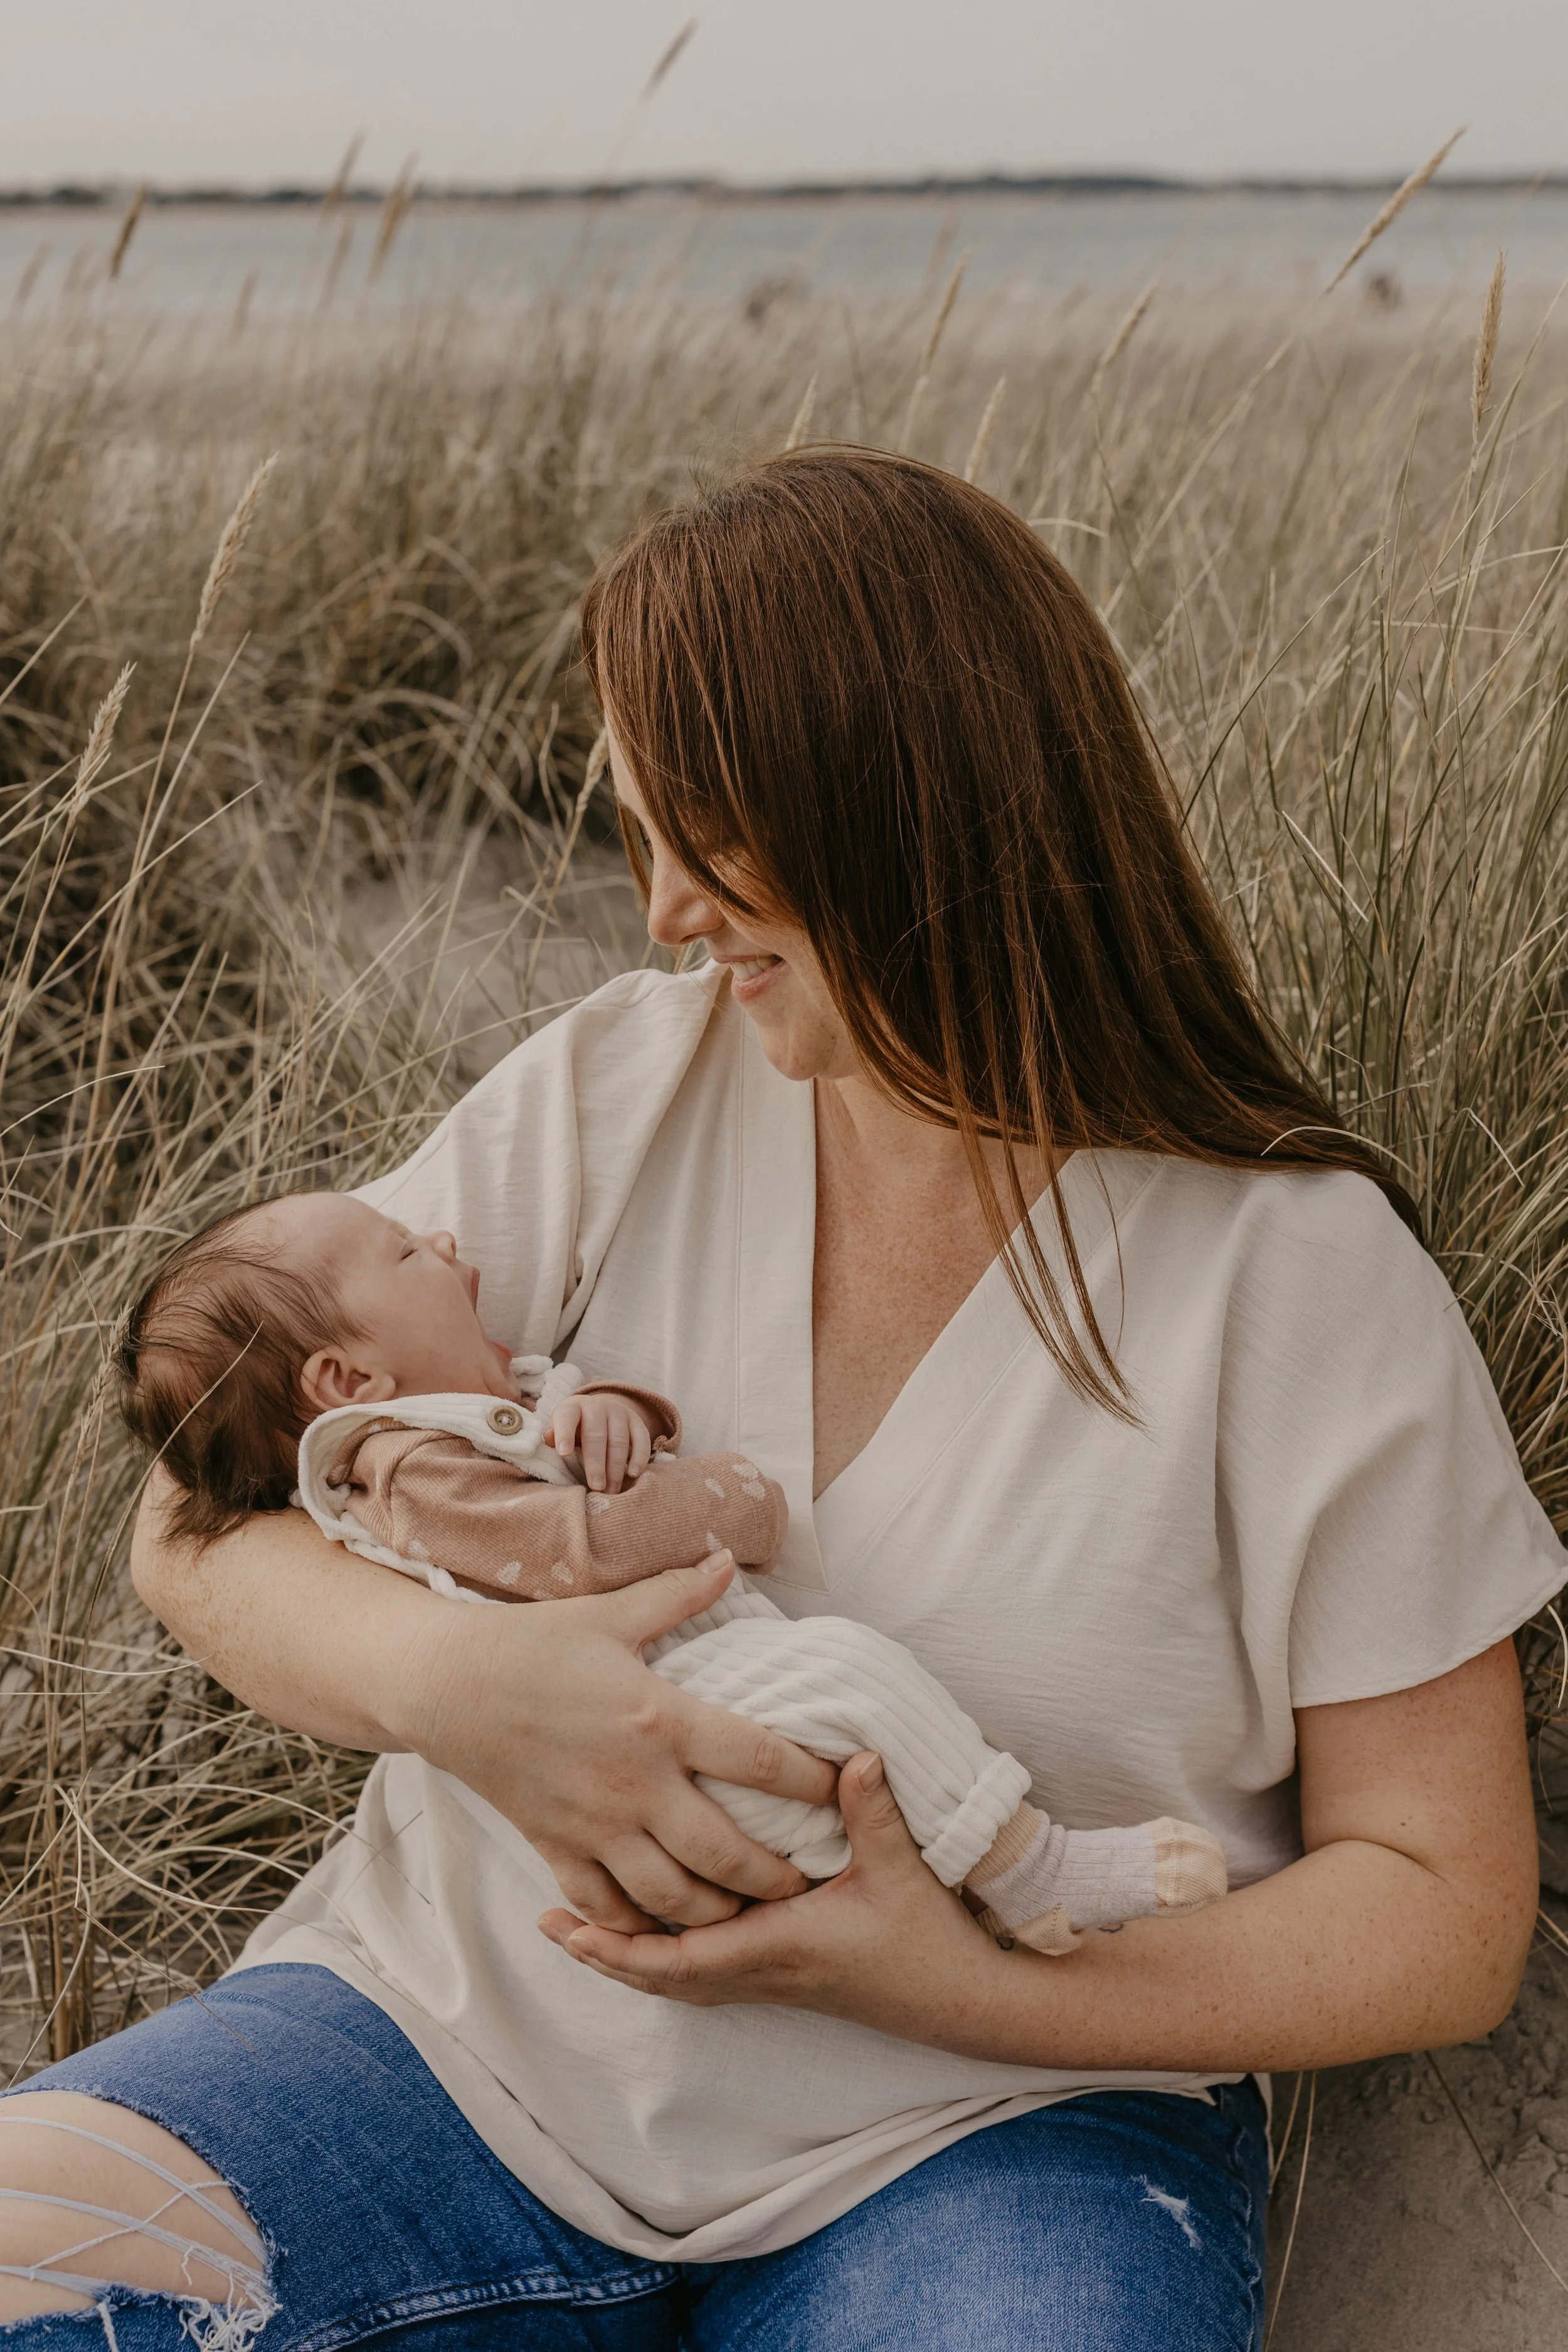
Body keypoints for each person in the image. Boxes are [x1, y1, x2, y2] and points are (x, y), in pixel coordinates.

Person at [0, 447, 1558, 2352]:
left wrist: (965, 1990)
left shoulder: (1293, 1272)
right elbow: (198, 1507)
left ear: (888, 815)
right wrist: (467, 1697)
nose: (660, 912)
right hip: (436, 2044)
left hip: (990, 2134)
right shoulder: (617, 1090)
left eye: (705, 843)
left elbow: (1442, 1906)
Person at [110, 1188, 1228, 1947]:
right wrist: (726, 1503)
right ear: (346, 1379)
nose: (445, 1244)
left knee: (852, 1706)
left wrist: (613, 1411)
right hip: (672, 1712)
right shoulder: (406, 1472)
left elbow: (557, 1441)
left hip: (686, 1695)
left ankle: (974, 1889)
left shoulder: (457, 1425)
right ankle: (1028, 1872)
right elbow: (570, 1552)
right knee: (849, 1674)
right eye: (409, 1252)